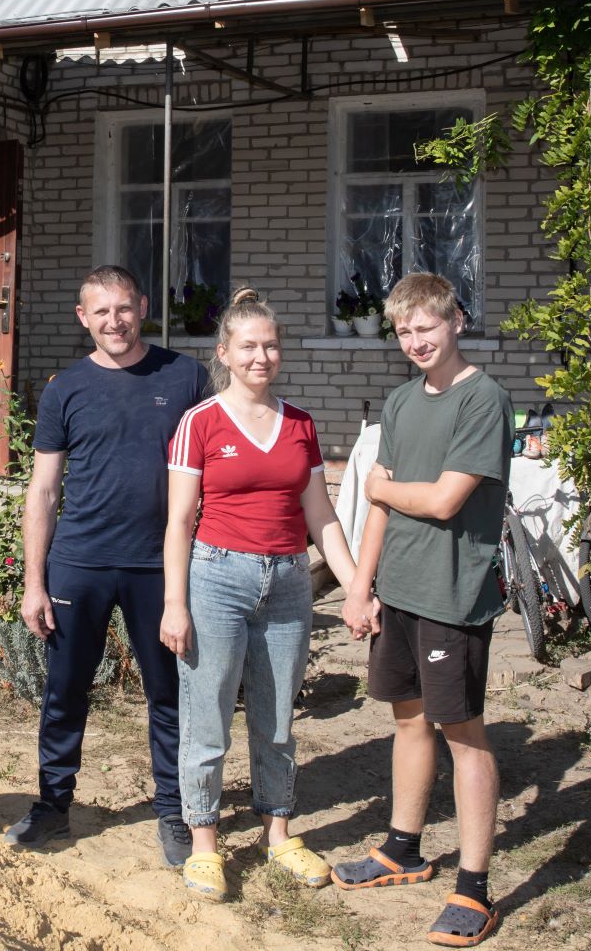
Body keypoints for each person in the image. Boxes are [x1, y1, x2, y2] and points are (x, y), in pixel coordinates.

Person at [160, 288, 365, 902]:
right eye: (248, 346)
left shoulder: (300, 423)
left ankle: (279, 834)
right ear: (225, 352)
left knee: (278, 719)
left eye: (270, 345)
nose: (261, 356)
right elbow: (177, 522)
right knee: (208, 717)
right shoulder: (200, 423)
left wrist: (356, 588)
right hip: (216, 578)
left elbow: (322, 517)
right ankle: (204, 844)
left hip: (288, 581)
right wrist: (176, 602)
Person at [6, 265, 213, 865]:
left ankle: (174, 810)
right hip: (81, 562)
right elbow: (43, 492)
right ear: (83, 318)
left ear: (142, 305)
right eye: (101, 312)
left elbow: (211, 471)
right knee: (65, 691)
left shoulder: (184, 376)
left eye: (123, 308)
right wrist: (34, 581)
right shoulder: (64, 389)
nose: (114, 321)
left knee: (170, 692)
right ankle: (52, 805)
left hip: (160, 566)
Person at [335, 273, 512, 948]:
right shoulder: (402, 402)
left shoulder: (484, 399)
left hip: (451, 595)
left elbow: (444, 501)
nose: (416, 341)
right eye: (405, 331)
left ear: (456, 321)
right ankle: (402, 850)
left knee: (463, 735)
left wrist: (385, 484)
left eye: (426, 327)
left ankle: (474, 887)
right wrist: (359, 586)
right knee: (407, 721)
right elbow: (380, 502)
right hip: (399, 590)